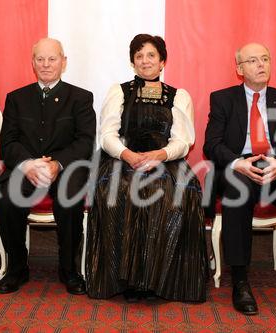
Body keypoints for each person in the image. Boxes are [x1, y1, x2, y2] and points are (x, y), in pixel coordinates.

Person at [85, 34, 208, 302]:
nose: (145, 61)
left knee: (174, 192)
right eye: (139, 56)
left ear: (162, 61)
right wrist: (128, 155)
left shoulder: (178, 95)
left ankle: (162, 281)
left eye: (151, 55)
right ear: (132, 62)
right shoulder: (119, 91)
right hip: (122, 158)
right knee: (119, 189)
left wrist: (160, 155)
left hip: (165, 160)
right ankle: (125, 280)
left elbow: (184, 140)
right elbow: (106, 135)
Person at [203, 43, 276, 315]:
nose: (261, 65)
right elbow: (212, 144)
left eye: (265, 59)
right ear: (239, 69)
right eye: (253, 60)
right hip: (239, 165)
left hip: (274, 166)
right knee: (237, 189)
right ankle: (241, 282)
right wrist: (237, 162)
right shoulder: (223, 99)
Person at [0, 38, 96, 295]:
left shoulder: (81, 98)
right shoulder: (17, 98)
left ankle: (69, 270)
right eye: (40, 59)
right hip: (25, 167)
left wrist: (58, 165)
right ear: (32, 63)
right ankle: (17, 268)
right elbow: (7, 143)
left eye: (52, 59)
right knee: (7, 200)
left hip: (66, 168)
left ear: (64, 62)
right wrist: (29, 164)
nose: (46, 64)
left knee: (69, 200)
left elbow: (84, 142)